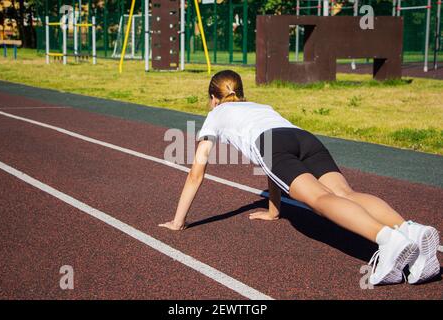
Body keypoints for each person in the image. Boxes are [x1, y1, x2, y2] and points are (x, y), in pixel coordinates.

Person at [159, 70, 440, 285]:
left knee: (319, 199)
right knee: (347, 194)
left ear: (213, 99)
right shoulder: (261, 107)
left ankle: (388, 241)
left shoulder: (217, 114)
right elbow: (270, 170)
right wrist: (273, 210)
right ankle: (410, 229)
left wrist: (178, 221)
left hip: (272, 144)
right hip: (303, 137)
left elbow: (197, 172)